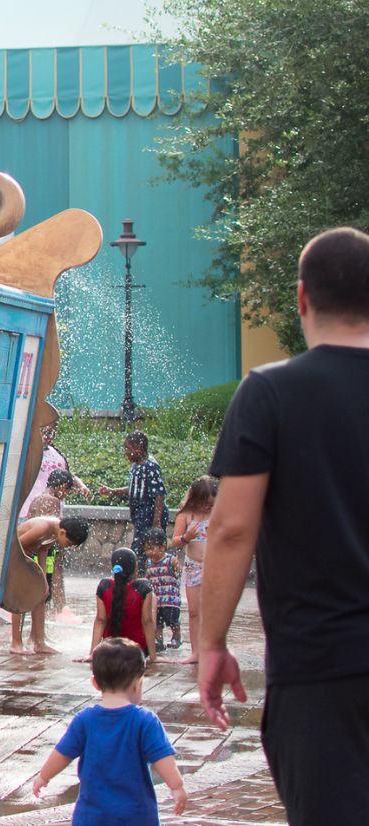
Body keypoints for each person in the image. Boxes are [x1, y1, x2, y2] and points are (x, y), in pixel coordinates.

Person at [199, 227, 369, 824]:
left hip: (320, 667)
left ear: (302, 299)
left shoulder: (270, 393)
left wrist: (212, 644)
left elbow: (231, 530)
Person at [33, 637, 188, 823]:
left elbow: (62, 753)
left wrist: (44, 776)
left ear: (95, 683)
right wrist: (177, 787)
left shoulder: (84, 720)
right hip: (136, 815)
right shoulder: (145, 721)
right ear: (138, 683)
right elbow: (164, 760)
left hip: (92, 816)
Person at [7, 513, 90, 655]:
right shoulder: (42, 528)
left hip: (26, 560)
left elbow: (43, 550)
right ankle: (16, 643)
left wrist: (43, 580)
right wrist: (23, 572)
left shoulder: (55, 531)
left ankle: (39, 642)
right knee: (21, 597)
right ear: (63, 532)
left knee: (42, 595)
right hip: (14, 559)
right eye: (69, 544)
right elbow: (13, 547)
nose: (67, 547)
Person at [98, 430, 167, 562]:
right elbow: (136, 488)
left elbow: (159, 494)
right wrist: (113, 491)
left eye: (127, 448)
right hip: (140, 515)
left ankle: (143, 576)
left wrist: (156, 522)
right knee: (140, 548)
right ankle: (141, 575)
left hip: (149, 514)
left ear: (138, 448)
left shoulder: (151, 466)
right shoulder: (137, 466)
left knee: (143, 548)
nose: (125, 452)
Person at [79, 548, 157, 664]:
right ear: (135, 568)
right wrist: (153, 657)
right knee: (153, 597)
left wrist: (92, 654)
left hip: (109, 649)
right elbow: (148, 621)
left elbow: (100, 620)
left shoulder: (104, 586)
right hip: (137, 650)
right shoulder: (143, 588)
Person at [169, 476, 215, 664]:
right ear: (195, 499)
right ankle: (196, 652)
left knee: (212, 611)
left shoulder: (218, 513)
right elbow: (175, 541)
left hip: (214, 567)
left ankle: (212, 649)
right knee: (194, 611)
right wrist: (187, 537)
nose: (208, 508)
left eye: (212, 504)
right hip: (193, 567)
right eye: (205, 504)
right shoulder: (186, 515)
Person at [141, 529, 182, 654]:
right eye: (147, 549)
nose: (149, 552)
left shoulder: (171, 560)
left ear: (163, 547)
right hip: (156, 600)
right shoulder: (148, 562)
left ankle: (176, 637)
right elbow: (147, 578)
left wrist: (177, 573)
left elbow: (179, 573)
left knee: (172, 620)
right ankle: (158, 640)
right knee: (157, 622)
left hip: (170, 599)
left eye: (152, 548)